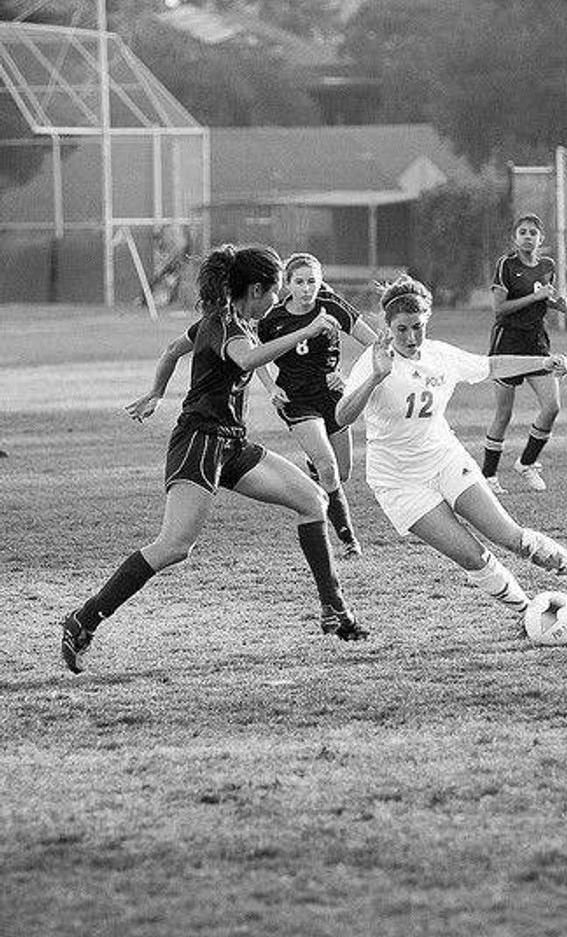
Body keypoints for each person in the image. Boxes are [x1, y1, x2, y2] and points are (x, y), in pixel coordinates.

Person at [61, 245, 369, 675]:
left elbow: (172, 349)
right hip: (199, 442)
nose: (277, 301)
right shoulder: (225, 325)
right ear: (256, 288)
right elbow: (245, 357)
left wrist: (156, 393)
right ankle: (85, 618)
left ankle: (334, 609)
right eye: (274, 291)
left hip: (231, 443)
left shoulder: (232, 321)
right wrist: (307, 330)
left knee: (313, 500)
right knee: (175, 547)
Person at [336, 274, 567, 629]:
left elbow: (491, 366)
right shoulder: (373, 362)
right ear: (387, 327)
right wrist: (376, 377)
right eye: (401, 329)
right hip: (398, 481)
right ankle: (531, 616)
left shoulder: (440, 355)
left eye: (418, 327)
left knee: (512, 537)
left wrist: (542, 362)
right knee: (473, 557)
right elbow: (341, 416)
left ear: (427, 321)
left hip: (444, 459)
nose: (411, 338)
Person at [257, 252, 378, 557]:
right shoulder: (273, 319)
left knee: (342, 473)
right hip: (296, 399)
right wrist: (272, 387)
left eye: (312, 281)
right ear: (288, 284)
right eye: (299, 282)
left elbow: (375, 345)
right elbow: (256, 357)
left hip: (332, 396)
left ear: (321, 281)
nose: (307, 288)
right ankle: (350, 541)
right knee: (328, 467)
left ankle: (315, 474)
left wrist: (348, 378)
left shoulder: (333, 307)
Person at [481, 213, 567, 494]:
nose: (528, 236)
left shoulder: (547, 265)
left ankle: (527, 463)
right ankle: (488, 476)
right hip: (508, 342)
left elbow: (543, 299)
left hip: (537, 343)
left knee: (552, 406)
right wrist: (536, 297)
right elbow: (500, 308)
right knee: (504, 413)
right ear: (515, 237)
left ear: (541, 239)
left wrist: (558, 305)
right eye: (523, 232)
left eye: (533, 232)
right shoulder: (506, 265)